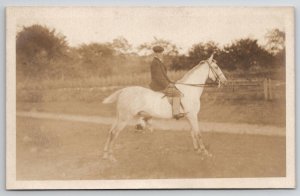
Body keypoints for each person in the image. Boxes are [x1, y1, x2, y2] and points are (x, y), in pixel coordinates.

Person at [149, 45, 185, 120]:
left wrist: (171, 82)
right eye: (158, 53)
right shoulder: (155, 63)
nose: (160, 54)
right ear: (155, 54)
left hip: (161, 84)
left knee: (176, 89)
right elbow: (158, 77)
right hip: (158, 86)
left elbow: (164, 76)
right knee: (177, 93)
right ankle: (176, 113)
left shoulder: (159, 62)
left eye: (161, 53)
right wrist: (167, 85)